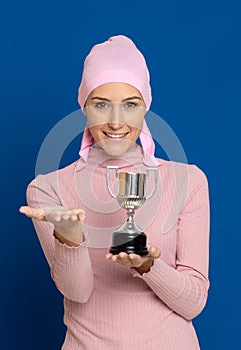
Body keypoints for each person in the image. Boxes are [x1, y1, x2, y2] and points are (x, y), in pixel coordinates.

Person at [19, 35, 210, 349]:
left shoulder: (187, 180)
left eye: (130, 105)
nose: (116, 121)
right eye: (101, 104)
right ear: (84, 107)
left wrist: (148, 265)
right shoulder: (48, 189)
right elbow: (77, 292)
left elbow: (193, 303)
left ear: (145, 107)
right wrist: (69, 238)